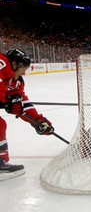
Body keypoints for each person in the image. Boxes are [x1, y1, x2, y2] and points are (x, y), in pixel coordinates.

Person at [0, 49, 54, 180]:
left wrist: (38, 121)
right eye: (23, 68)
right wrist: (7, 97)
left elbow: (23, 104)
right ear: (14, 64)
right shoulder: (3, 63)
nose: (24, 72)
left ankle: (2, 163)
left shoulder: (16, 82)